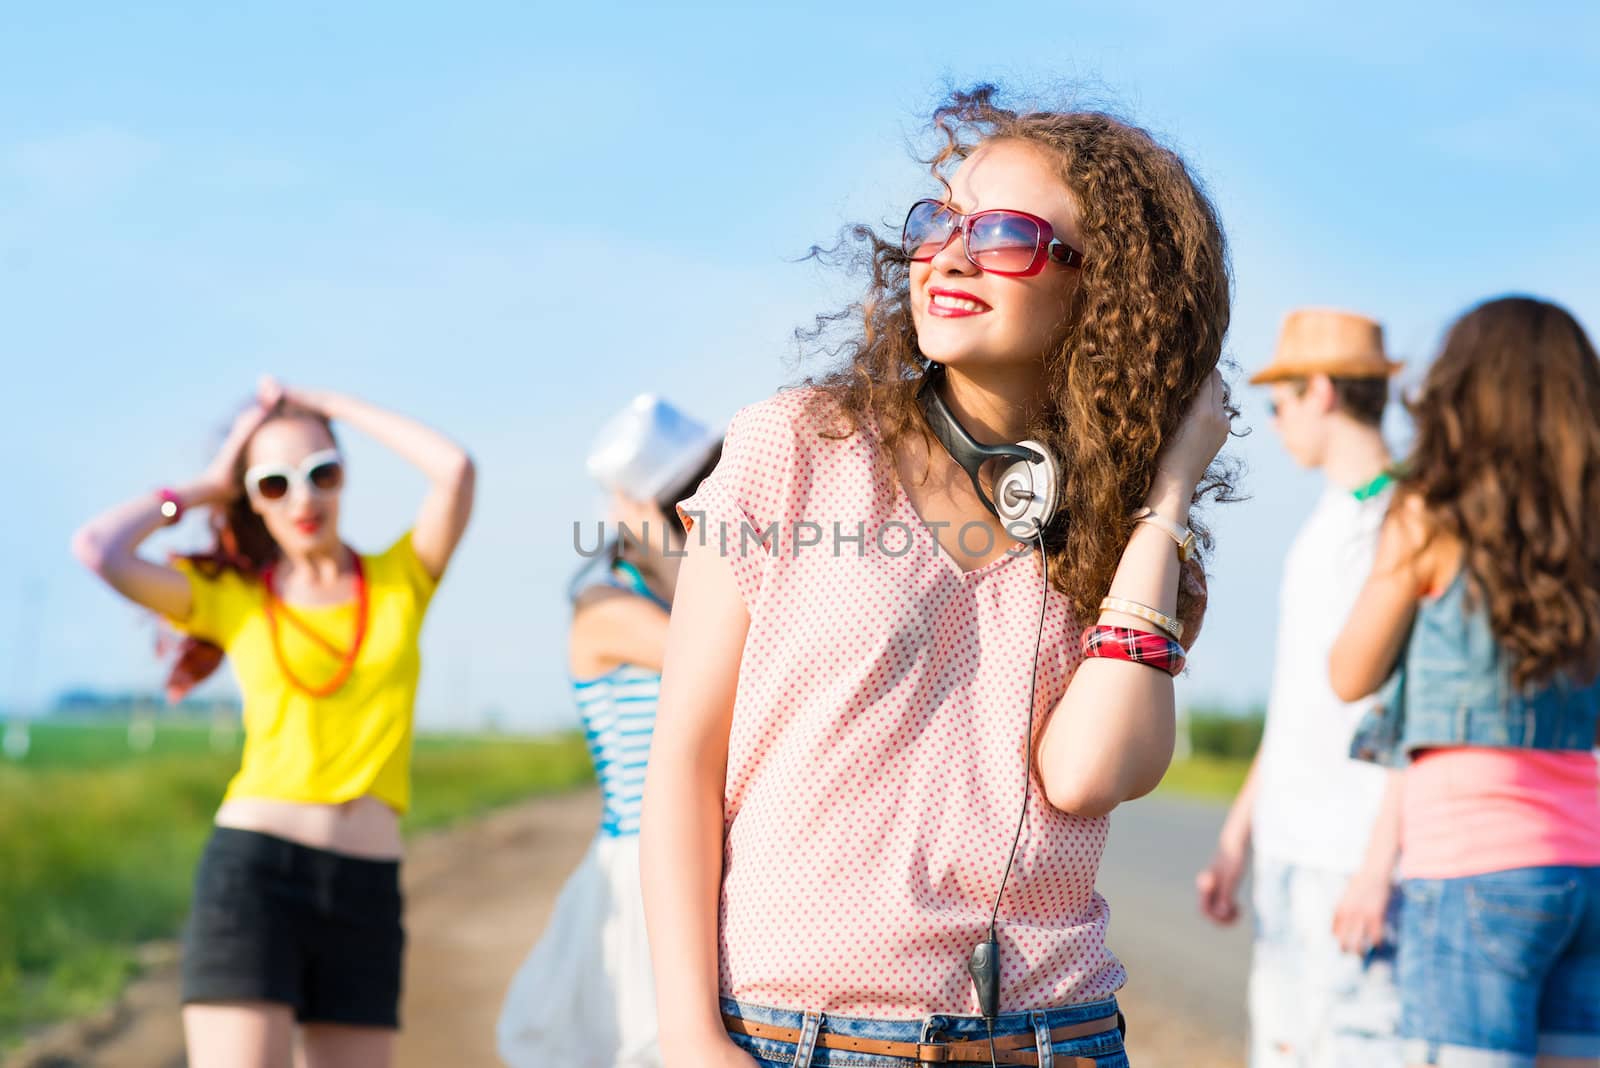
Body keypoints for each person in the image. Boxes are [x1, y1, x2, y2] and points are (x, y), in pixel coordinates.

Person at [640, 85, 1233, 1068]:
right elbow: (683, 766)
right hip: (797, 1038)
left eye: (1004, 235)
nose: (949, 256)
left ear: (1108, 287)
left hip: (1055, 1037)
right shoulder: (791, 446)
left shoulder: (1128, 541)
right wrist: (687, 1034)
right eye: (939, 223)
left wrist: (1164, 501)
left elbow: (1088, 776)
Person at [70, 377, 474, 1068]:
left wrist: (331, 406)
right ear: (251, 498)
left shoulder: (401, 578)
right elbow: (99, 550)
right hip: (254, 880)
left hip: (367, 889)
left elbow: (455, 469)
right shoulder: (232, 597)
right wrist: (204, 486)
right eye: (275, 483)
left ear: (344, 476)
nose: (304, 497)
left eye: (322, 472)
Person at [1331, 296, 1600, 1068]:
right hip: (1585, 864)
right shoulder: (1589, 532)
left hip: (1474, 869)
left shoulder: (1427, 517)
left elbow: (1350, 675)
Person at [1194, 308, 1405, 1066]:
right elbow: (1295, 708)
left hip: (1356, 863)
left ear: (1319, 391)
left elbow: (1417, 713)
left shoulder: (1403, 519)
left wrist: (1380, 868)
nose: (1275, 422)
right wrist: (1235, 839)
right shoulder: (1321, 524)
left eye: (1280, 403)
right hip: (1288, 853)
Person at [498, 394, 722, 1068]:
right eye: (688, 498)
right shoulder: (607, 609)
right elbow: (722, 653)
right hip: (639, 873)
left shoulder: (681, 594)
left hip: (704, 861)